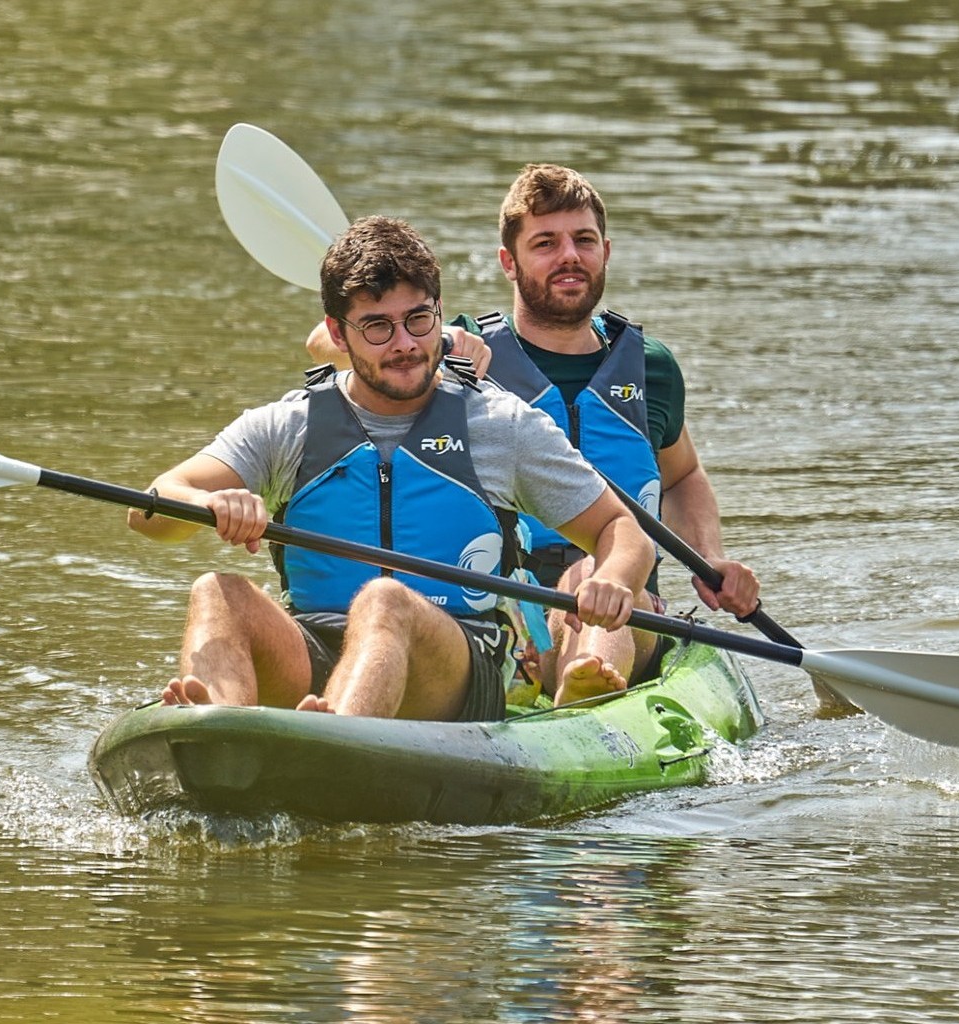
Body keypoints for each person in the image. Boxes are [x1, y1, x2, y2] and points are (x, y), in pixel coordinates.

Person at [130, 215, 656, 719]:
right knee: (218, 592)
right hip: (316, 646)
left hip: (453, 660)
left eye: (418, 320)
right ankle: (217, 724)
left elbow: (620, 528)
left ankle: (333, 739)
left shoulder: (502, 425)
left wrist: (613, 577)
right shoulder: (288, 425)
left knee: (385, 601)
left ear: (439, 313)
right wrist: (207, 501)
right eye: (378, 327)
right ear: (338, 335)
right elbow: (151, 509)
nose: (405, 344)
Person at [306, 165, 760, 702]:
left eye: (583, 240)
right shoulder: (458, 352)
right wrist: (442, 342)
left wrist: (711, 556)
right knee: (572, 582)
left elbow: (682, 475)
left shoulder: (651, 366)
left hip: (627, 603)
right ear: (509, 262)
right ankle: (570, 681)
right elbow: (323, 343)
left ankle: (586, 681)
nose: (569, 256)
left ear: (605, 252)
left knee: (592, 572)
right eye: (545, 243)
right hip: (513, 614)